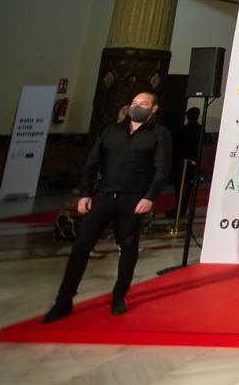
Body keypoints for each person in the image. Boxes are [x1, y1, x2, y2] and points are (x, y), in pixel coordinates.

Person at [42, 91, 171, 322]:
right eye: (134, 103)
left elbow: (161, 169)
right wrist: (85, 193)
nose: (137, 106)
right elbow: (91, 163)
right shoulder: (111, 132)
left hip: (133, 198)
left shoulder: (160, 135)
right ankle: (64, 300)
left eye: (143, 104)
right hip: (103, 195)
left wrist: (150, 196)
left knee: (128, 247)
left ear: (154, 109)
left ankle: (119, 295)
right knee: (81, 246)